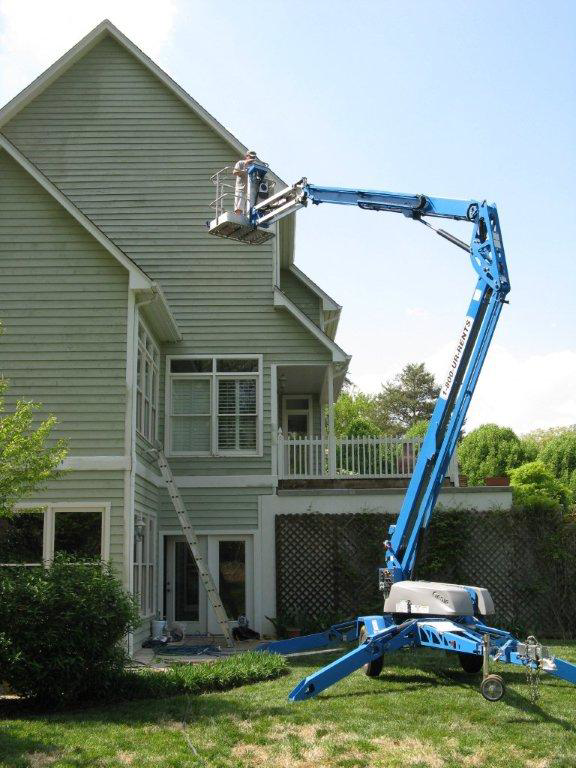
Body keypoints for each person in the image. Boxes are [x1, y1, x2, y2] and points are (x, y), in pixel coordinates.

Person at [233, 150, 257, 214]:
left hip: (251, 190)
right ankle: (238, 217)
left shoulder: (254, 166)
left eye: (254, 157)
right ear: (247, 156)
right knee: (239, 207)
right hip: (241, 188)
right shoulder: (240, 163)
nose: (252, 159)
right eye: (251, 157)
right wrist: (244, 168)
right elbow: (235, 172)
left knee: (251, 208)